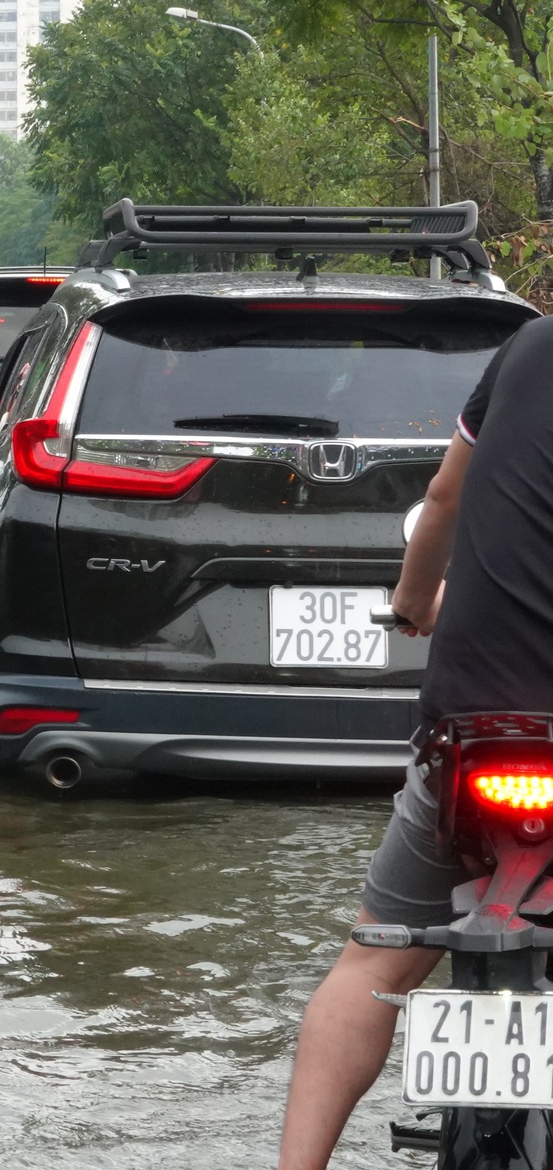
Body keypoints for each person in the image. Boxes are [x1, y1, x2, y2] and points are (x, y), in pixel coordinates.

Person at [277, 316, 553, 1170]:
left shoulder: (532, 348)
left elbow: (444, 497)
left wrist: (410, 605)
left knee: (374, 960)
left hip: (478, 734)